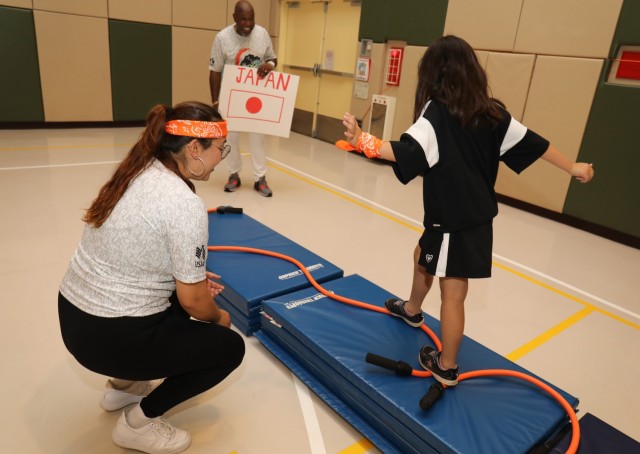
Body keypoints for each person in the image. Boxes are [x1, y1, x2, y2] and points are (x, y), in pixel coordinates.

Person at [342, 35, 594, 387]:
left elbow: (403, 153)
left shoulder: (437, 113)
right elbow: (536, 144)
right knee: (421, 253)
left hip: (452, 221)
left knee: (453, 294)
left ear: (435, 75)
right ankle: (413, 310)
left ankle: (446, 366)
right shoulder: (492, 112)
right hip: (477, 217)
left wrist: (360, 140)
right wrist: (572, 168)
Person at [58, 101, 245, 454]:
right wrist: (220, 317)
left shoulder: (138, 170)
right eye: (221, 149)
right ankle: (137, 425)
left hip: (74, 318)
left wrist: (193, 278)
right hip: (110, 337)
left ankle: (122, 387)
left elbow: (146, 254)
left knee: (178, 296)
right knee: (229, 348)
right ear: (194, 149)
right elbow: (193, 302)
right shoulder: (183, 203)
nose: (222, 157)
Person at [209, 0, 278, 197]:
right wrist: (215, 103)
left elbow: (273, 58)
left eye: (251, 19)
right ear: (234, 19)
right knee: (232, 137)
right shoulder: (222, 38)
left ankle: (260, 178)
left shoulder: (263, 34)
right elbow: (214, 71)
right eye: (244, 19)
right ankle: (233, 175)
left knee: (258, 138)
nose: (248, 23)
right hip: (231, 98)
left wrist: (270, 66)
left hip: (256, 97)